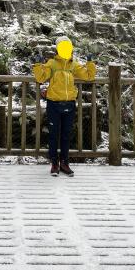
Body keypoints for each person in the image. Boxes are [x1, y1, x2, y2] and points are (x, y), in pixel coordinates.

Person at [33, 36, 96, 177]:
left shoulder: (74, 65)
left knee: (66, 135)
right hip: (54, 104)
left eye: (68, 46)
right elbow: (41, 78)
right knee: (54, 135)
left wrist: (90, 62)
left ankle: (65, 163)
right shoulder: (52, 64)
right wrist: (37, 65)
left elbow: (89, 76)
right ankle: (54, 163)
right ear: (58, 49)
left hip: (69, 104)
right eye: (62, 46)